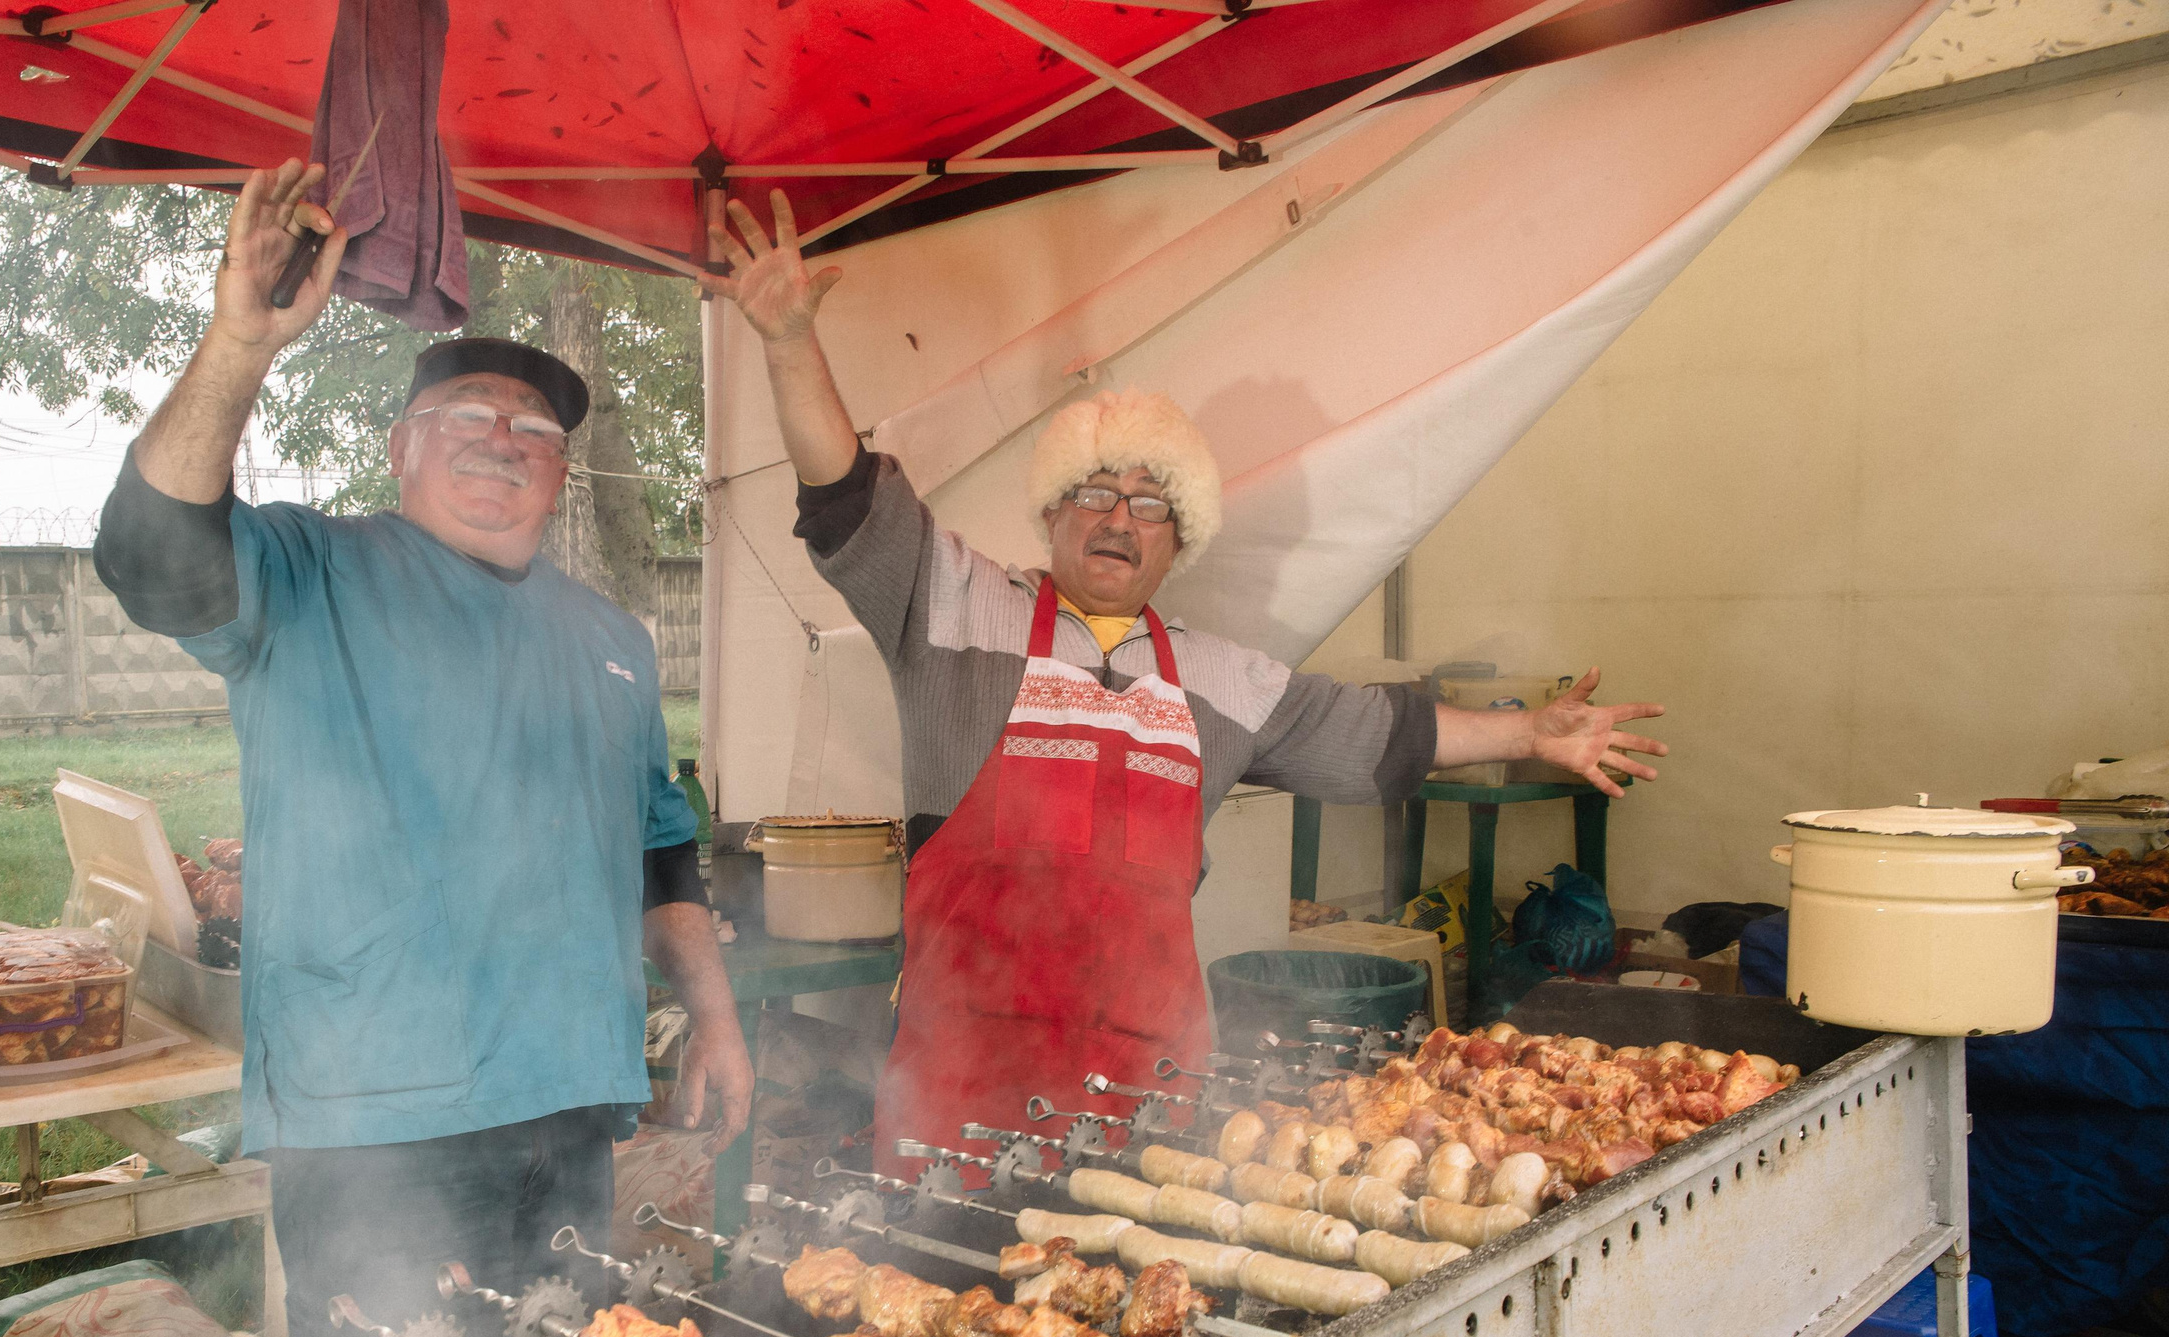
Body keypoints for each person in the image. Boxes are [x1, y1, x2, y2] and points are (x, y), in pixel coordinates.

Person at [705, 190, 1669, 1170]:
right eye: (1095, 492)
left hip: (1150, 1112)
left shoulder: (1219, 680)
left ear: (1181, 540)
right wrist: (788, 342)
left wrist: (1529, 733)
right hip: (957, 1096)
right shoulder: (953, 606)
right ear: (1052, 512)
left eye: (1150, 505)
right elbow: (845, 498)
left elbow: (1380, 735)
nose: (1118, 520)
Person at [93, 161, 753, 1337]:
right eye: (466, 420)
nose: (502, 443)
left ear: (561, 477)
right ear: (401, 449)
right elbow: (150, 556)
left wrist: (713, 1018)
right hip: (374, 1120)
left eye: (534, 433)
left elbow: (659, 850)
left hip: (566, 1109)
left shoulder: (610, 640)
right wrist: (240, 343)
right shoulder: (307, 573)